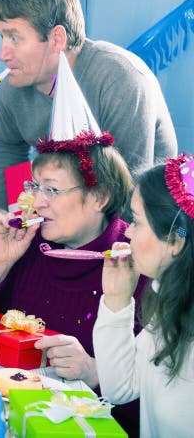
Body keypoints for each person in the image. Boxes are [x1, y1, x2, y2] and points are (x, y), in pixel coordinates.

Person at [0, 53, 146, 435]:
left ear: (100, 197)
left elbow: (162, 397)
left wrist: (96, 372)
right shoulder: (28, 245)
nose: (37, 202)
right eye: (35, 187)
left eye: (52, 191)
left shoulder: (134, 259)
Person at [0, 0, 176, 214]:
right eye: (1, 37)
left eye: (14, 38)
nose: (2, 54)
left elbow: (130, 189)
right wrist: (13, 216)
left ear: (57, 39)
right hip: (71, 219)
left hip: (142, 227)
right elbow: (7, 150)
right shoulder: (16, 84)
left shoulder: (121, 80)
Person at [93, 154, 194, 437]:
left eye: (136, 222)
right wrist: (116, 300)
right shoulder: (169, 301)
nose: (128, 234)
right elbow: (120, 389)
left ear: (175, 240)